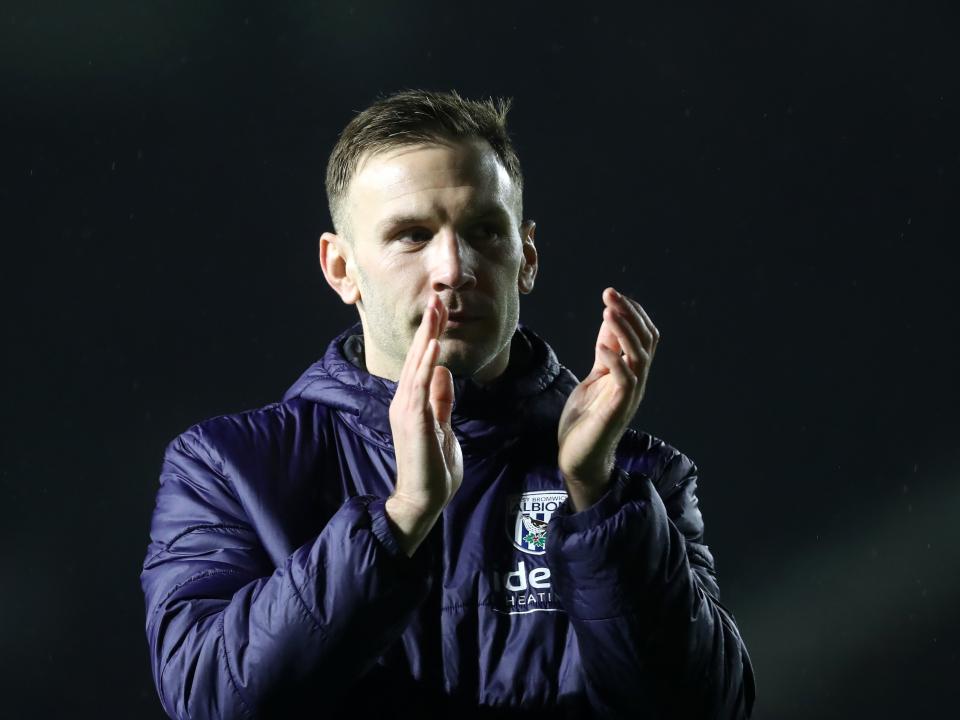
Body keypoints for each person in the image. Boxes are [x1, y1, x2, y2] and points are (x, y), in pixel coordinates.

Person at [140, 88, 755, 719]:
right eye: (411, 235)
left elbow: (709, 709)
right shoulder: (227, 469)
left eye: (485, 231)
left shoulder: (635, 480)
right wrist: (399, 520)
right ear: (341, 268)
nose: (453, 267)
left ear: (527, 257)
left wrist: (596, 497)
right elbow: (211, 699)